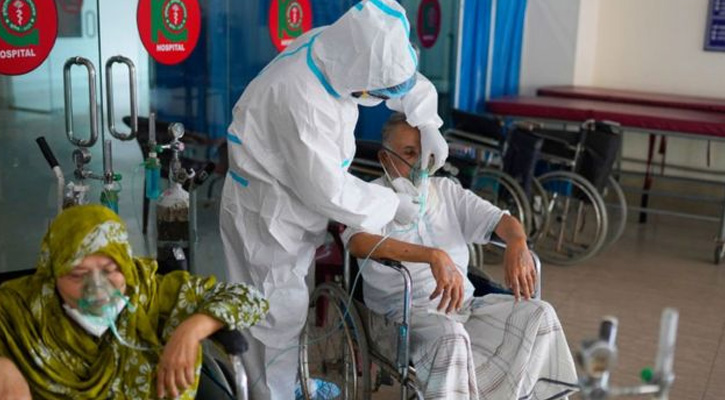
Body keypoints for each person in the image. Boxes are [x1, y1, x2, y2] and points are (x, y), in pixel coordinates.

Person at [220, 0, 448, 397]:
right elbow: (326, 189)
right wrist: (391, 203)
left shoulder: (340, 47)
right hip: (266, 213)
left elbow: (394, 70)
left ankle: (289, 381)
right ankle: (271, 393)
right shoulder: (300, 98)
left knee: (290, 305)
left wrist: (427, 120)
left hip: (294, 196)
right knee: (274, 314)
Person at [343, 113, 579, 399]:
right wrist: (432, 255)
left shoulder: (446, 191)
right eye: (409, 153)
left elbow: (501, 220)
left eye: (424, 154)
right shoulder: (372, 195)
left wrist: (517, 243)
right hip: (405, 316)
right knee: (451, 336)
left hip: (465, 306)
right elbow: (358, 242)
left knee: (540, 314)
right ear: (385, 156)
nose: (419, 163)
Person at [0, 205, 269, 400]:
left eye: (109, 270)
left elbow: (250, 298)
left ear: (127, 265)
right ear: (53, 273)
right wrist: (5, 368)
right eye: (77, 275)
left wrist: (191, 330)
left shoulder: (151, 293)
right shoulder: (22, 307)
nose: (96, 288)